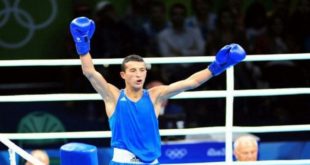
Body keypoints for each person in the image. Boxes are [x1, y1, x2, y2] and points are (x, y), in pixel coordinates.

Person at [69, 16, 246, 164]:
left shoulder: (155, 95)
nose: (138, 74)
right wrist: (83, 47)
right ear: (123, 75)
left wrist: (216, 67)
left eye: (142, 70)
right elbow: (90, 73)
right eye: (133, 70)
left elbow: (191, 82)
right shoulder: (113, 96)